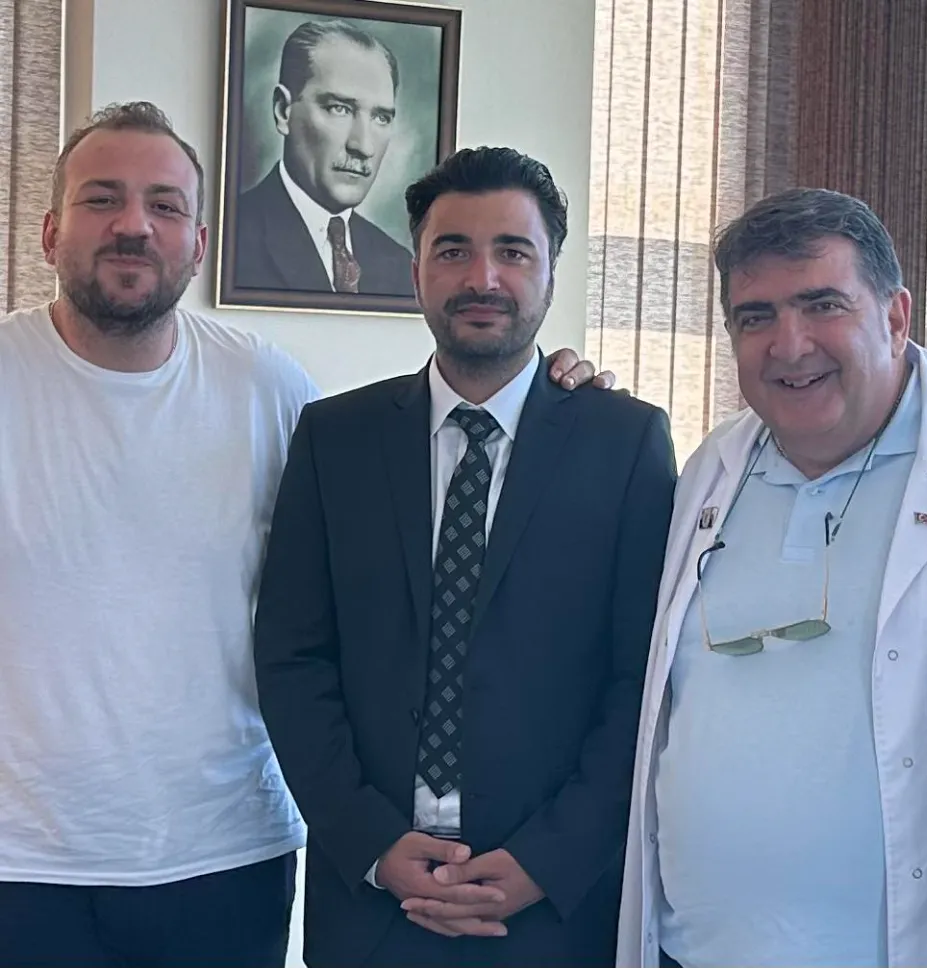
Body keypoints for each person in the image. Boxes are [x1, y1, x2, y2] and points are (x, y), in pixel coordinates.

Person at [0, 100, 606, 968]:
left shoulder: (269, 388)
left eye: (165, 205)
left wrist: (557, 398)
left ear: (199, 242)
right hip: (21, 862)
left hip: (226, 857)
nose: (134, 225)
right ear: (49, 230)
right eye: (102, 199)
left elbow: (328, 603)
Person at [253, 145, 678, 968]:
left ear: (551, 271)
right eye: (453, 250)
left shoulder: (625, 444)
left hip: (557, 912)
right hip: (371, 908)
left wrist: (547, 860)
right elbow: (292, 659)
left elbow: (643, 679)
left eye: (513, 251)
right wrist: (372, 843)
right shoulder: (334, 439)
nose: (483, 277)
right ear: (414, 269)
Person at [617, 187, 927, 968]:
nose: (789, 346)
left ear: (896, 316)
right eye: (755, 317)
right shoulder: (712, 467)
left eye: (822, 305)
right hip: (696, 951)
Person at [235, 19, 414, 297]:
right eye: (339, 109)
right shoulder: (232, 239)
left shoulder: (399, 265)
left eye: (381, 118)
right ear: (283, 111)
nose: (364, 146)